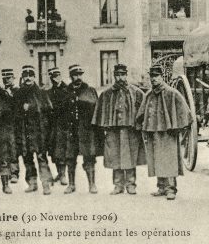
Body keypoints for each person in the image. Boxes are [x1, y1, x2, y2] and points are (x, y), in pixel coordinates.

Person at [136, 65, 192, 200]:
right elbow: (141, 113)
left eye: (156, 76)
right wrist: (139, 124)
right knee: (156, 158)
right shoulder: (149, 94)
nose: (153, 79)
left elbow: (186, 113)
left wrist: (178, 127)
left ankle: (171, 188)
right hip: (153, 131)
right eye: (152, 77)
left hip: (168, 132)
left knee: (169, 158)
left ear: (162, 77)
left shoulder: (172, 93)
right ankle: (161, 187)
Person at [93, 64, 146, 194]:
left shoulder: (136, 92)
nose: (120, 77)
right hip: (113, 131)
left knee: (130, 156)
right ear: (114, 76)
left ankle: (131, 184)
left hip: (131, 130)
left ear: (126, 75)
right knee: (115, 157)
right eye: (117, 75)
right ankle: (118, 185)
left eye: (122, 74)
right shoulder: (106, 94)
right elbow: (99, 112)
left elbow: (143, 111)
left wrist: (140, 125)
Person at [14, 65, 53, 195]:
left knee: (41, 157)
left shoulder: (41, 92)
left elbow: (47, 109)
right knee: (27, 157)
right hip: (24, 131)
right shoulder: (18, 93)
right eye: (26, 76)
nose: (28, 78)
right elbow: (14, 112)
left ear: (34, 77)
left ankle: (46, 184)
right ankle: (32, 183)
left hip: (38, 131)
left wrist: (30, 106)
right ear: (23, 77)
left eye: (31, 75)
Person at [64, 64, 103, 194]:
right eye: (75, 75)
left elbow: (97, 110)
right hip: (71, 129)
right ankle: (71, 184)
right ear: (71, 76)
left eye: (80, 74)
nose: (78, 77)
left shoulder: (90, 90)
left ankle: (92, 184)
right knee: (70, 157)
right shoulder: (66, 91)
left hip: (86, 130)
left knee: (89, 156)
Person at [45, 67, 69, 187]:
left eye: (57, 76)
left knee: (62, 151)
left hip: (64, 125)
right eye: (53, 77)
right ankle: (59, 174)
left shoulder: (67, 90)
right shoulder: (49, 92)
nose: (56, 79)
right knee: (54, 151)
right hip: (53, 125)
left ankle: (63, 174)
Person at [1, 68, 20, 183]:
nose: (7, 80)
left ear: (13, 78)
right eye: (4, 78)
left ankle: (14, 173)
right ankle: (6, 172)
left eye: (9, 78)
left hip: (14, 124)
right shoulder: (1, 91)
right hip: (3, 124)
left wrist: (10, 96)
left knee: (13, 149)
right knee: (4, 149)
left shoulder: (18, 91)